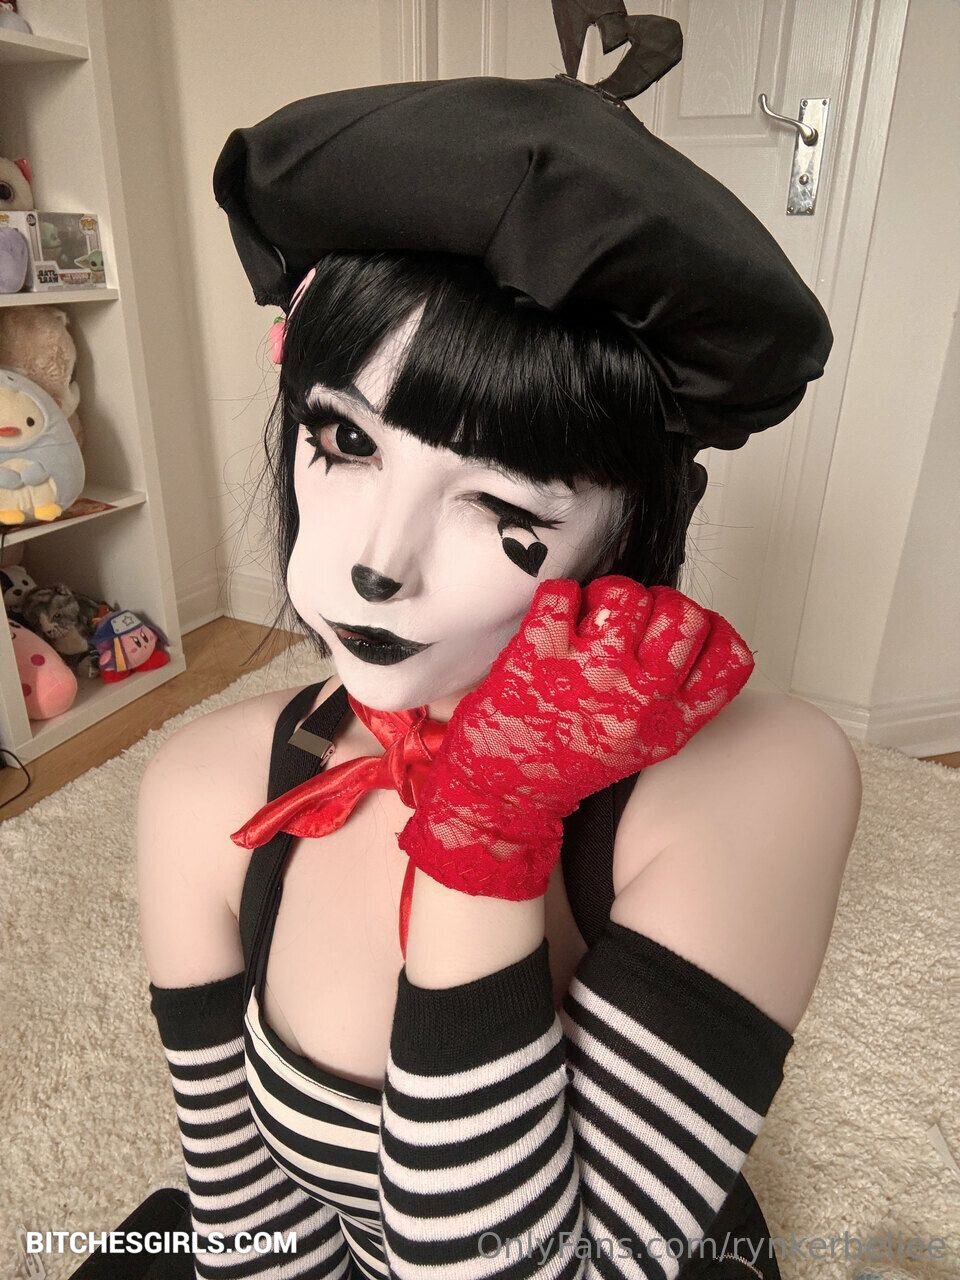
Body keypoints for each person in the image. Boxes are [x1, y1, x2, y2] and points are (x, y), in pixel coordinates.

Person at [137, 14, 862, 1279]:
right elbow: (249, 1234)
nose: (379, 559)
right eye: (345, 440)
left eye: (505, 505)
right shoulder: (204, 789)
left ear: (629, 524)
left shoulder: (771, 776)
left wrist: (487, 833)